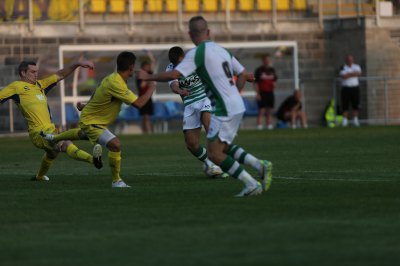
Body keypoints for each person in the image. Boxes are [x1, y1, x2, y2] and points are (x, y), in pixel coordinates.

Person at [137, 16, 272, 197]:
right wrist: (235, 94)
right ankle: (259, 166)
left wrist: (147, 77)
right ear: (208, 32)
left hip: (221, 106)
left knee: (215, 153)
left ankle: (251, 183)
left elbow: (173, 75)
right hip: (234, 105)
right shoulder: (222, 51)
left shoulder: (196, 54)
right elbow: (244, 74)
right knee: (218, 146)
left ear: (190, 35)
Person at [42, 51, 156, 188]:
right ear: (131, 67)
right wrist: (152, 87)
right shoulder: (117, 84)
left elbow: (98, 93)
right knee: (115, 144)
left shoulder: (112, 78)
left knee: (83, 134)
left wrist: (85, 105)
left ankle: (54, 138)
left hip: (91, 119)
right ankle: (116, 181)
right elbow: (139, 104)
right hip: (92, 122)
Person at [0, 60, 102, 181]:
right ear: (23, 73)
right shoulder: (16, 87)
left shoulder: (40, 85)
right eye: (32, 72)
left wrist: (77, 64)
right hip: (38, 132)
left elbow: (60, 75)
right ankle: (93, 159)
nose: (36, 74)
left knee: (52, 153)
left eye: (36, 72)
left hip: (50, 128)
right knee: (65, 143)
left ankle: (39, 177)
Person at [166, 46, 227, 178]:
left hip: (205, 98)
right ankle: (211, 164)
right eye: (176, 64)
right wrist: (180, 90)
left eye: (180, 62)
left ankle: (221, 158)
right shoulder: (170, 69)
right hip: (190, 104)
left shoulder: (194, 61)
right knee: (191, 144)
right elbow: (173, 84)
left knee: (207, 121)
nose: (179, 66)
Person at [254, 54, 278, 130]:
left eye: (268, 60)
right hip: (262, 93)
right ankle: (259, 126)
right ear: (263, 61)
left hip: (270, 92)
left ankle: (269, 125)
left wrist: (274, 85)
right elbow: (256, 83)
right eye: (266, 60)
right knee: (261, 110)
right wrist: (257, 93)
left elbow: (275, 81)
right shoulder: (259, 70)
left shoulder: (272, 70)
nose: (267, 61)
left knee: (270, 110)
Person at [136, 50, 156, 134]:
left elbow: (153, 62)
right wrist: (148, 80)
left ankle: (148, 132)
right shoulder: (140, 75)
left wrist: (149, 54)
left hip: (149, 98)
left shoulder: (149, 73)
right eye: (146, 66)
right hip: (142, 97)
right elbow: (142, 85)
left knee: (147, 117)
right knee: (145, 117)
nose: (148, 67)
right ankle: (147, 132)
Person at [339, 55, 362, 127]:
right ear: (346, 60)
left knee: (355, 104)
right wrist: (353, 74)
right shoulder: (343, 67)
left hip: (354, 88)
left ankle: (355, 119)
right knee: (345, 104)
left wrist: (349, 74)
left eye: (351, 59)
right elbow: (344, 76)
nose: (350, 60)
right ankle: (345, 120)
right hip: (346, 88)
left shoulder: (356, 66)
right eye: (348, 59)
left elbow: (359, 73)